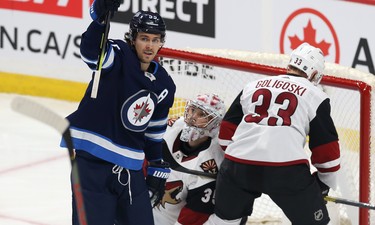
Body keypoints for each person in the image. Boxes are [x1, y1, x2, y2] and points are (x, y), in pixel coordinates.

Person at [60, 0, 176, 224]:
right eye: (144, 38)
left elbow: (154, 133)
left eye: (155, 40)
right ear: (132, 39)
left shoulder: (164, 85)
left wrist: (155, 164)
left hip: (130, 166)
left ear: (162, 42)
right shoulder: (118, 57)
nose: (149, 46)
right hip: (92, 163)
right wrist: (101, 19)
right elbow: (91, 52)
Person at [204, 43, 341, 225]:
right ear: (315, 74)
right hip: (286, 171)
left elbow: (226, 132)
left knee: (224, 221)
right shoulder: (316, 95)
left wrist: (239, 158)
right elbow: (327, 154)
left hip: (237, 166)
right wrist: (323, 184)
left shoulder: (252, 86)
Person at [152, 93, 227, 225]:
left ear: (215, 123)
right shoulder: (170, 128)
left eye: (202, 114)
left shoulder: (211, 161)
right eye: (193, 110)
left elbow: (195, 213)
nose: (193, 117)